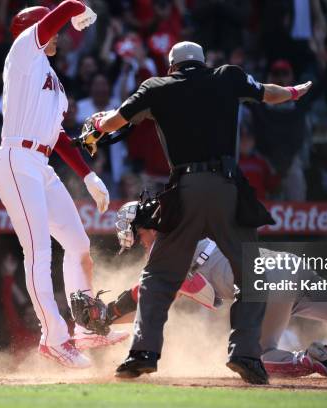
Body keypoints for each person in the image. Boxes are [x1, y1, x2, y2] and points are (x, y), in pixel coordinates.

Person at [90, 40, 313, 384]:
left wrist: (96, 124)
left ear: (172, 66)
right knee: (251, 275)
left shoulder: (156, 86)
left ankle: (143, 354)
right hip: (227, 189)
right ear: (202, 61)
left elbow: (112, 123)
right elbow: (270, 93)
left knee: (159, 278)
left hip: (185, 191)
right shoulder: (227, 77)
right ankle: (246, 355)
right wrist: (295, 92)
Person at [84, 197, 327, 379]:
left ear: (146, 226)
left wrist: (109, 313)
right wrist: (113, 314)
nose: (133, 236)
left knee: (255, 360)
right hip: (287, 267)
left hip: (268, 284)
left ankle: (313, 359)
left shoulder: (170, 250)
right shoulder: (190, 235)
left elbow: (154, 294)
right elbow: (155, 293)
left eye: (135, 228)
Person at [0, 2, 127, 369]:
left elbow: (59, 136)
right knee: (38, 251)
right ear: (35, 29)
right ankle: (54, 337)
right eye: (52, 31)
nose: (60, 37)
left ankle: (85, 327)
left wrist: (88, 174)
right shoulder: (22, 52)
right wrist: (75, 7)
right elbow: (60, 13)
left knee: (79, 245)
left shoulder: (52, 76)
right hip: (16, 160)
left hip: (40, 162)